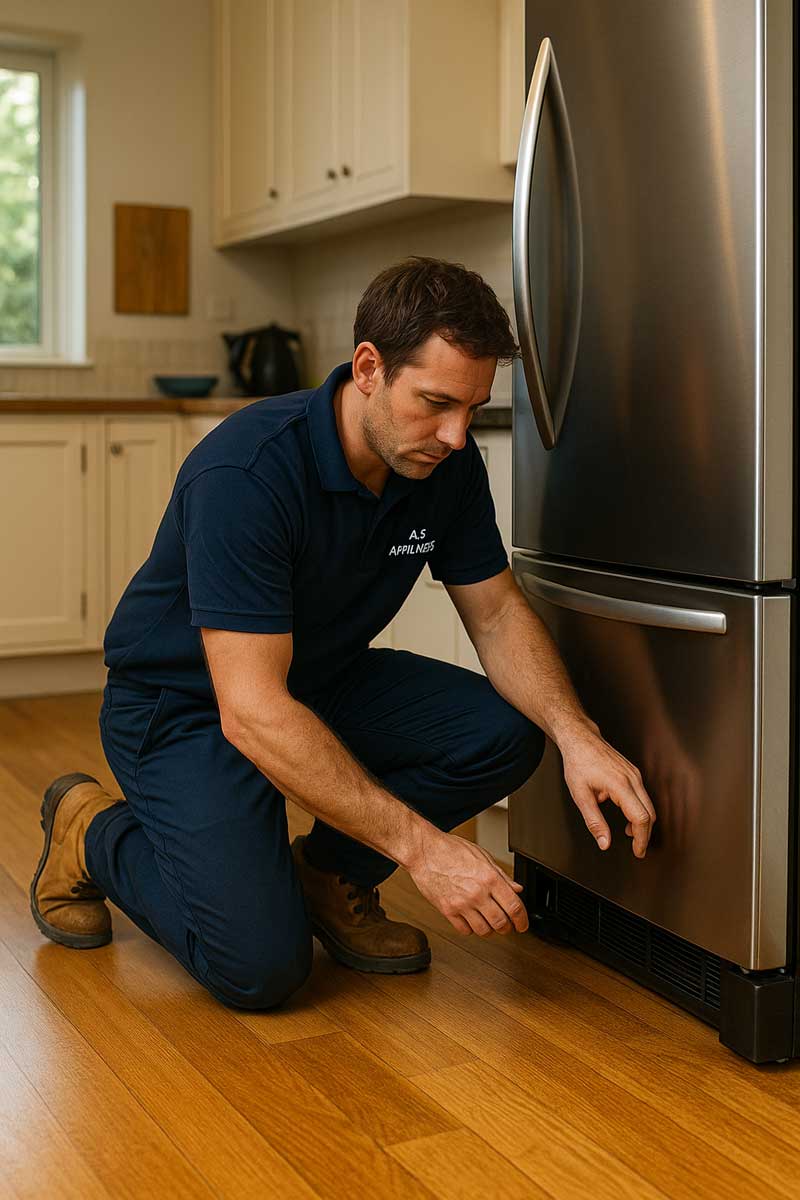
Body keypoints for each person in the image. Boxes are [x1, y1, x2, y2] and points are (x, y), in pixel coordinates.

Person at [30, 256, 656, 1010]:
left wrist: (577, 733)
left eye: (474, 407)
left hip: (319, 677)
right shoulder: (247, 472)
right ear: (368, 368)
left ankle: (328, 873)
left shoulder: (443, 463)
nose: (458, 435)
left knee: (508, 731)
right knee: (261, 969)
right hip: (184, 706)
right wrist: (423, 850)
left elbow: (493, 611)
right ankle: (92, 832)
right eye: (435, 403)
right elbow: (251, 709)